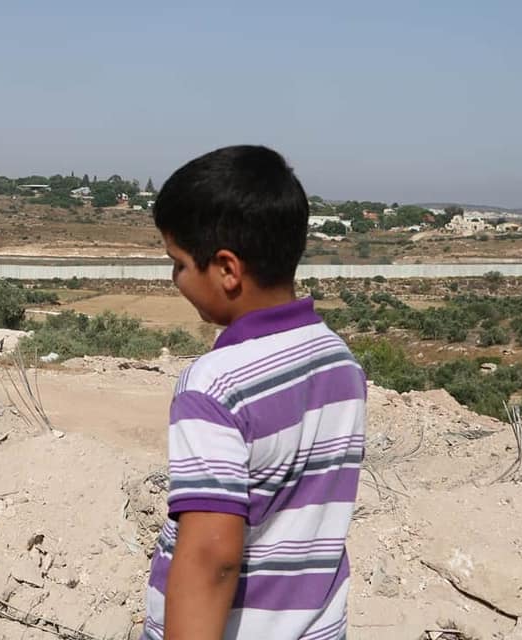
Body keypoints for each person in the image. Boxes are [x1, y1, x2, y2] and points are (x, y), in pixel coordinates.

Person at [143, 145, 366, 640]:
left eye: (178, 263)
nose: (174, 279)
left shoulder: (214, 386)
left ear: (227, 269)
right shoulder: (338, 360)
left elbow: (211, 558)